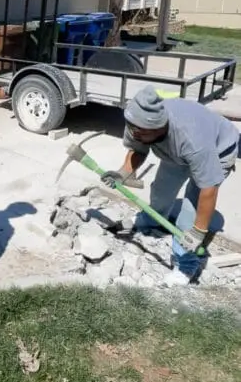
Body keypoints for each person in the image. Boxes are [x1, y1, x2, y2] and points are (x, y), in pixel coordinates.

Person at [102, 85, 239, 282]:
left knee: (188, 216)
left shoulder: (193, 142)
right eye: (132, 128)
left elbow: (208, 189)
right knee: (161, 191)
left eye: (139, 132)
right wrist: (123, 173)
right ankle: (150, 221)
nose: (133, 134)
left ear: (158, 127)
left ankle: (186, 266)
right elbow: (138, 150)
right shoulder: (138, 123)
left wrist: (198, 231)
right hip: (176, 151)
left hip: (218, 150)